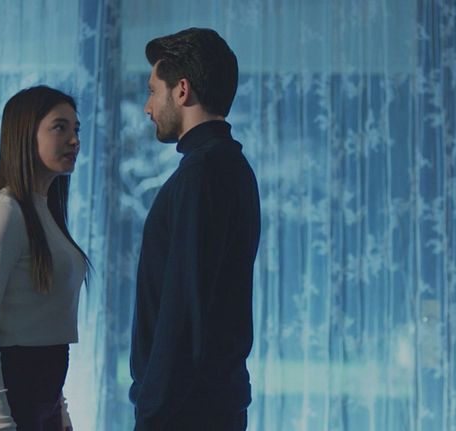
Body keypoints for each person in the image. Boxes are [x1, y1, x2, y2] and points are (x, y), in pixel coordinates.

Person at [129, 28, 261, 431]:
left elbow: (184, 311)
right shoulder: (229, 166)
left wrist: (151, 413)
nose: (148, 107)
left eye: (153, 91)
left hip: (184, 413)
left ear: (182, 90)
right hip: (207, 406)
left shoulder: (202, 173)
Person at [0, 85, 90, 431]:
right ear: (24, 135)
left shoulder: (46, 212)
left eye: (76, 129)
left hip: (43, 395)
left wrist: (60, 409)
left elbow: (48, 323)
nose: (74, 140)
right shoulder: (5, 212)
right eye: (60, 127)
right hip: (8, 398)